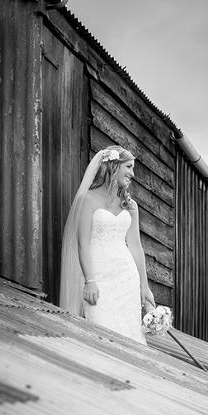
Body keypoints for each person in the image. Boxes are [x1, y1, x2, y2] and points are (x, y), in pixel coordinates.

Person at [59, 145, 155, 344]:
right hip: (99, 278)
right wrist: (89, 281)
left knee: (130, 335)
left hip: (127, 279)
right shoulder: (88, 199)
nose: (133, 173)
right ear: (114, 166)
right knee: (100, 334)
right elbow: (82, 243)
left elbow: (136, 248)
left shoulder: (130, 205)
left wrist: (144, 288)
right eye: (129, 167)